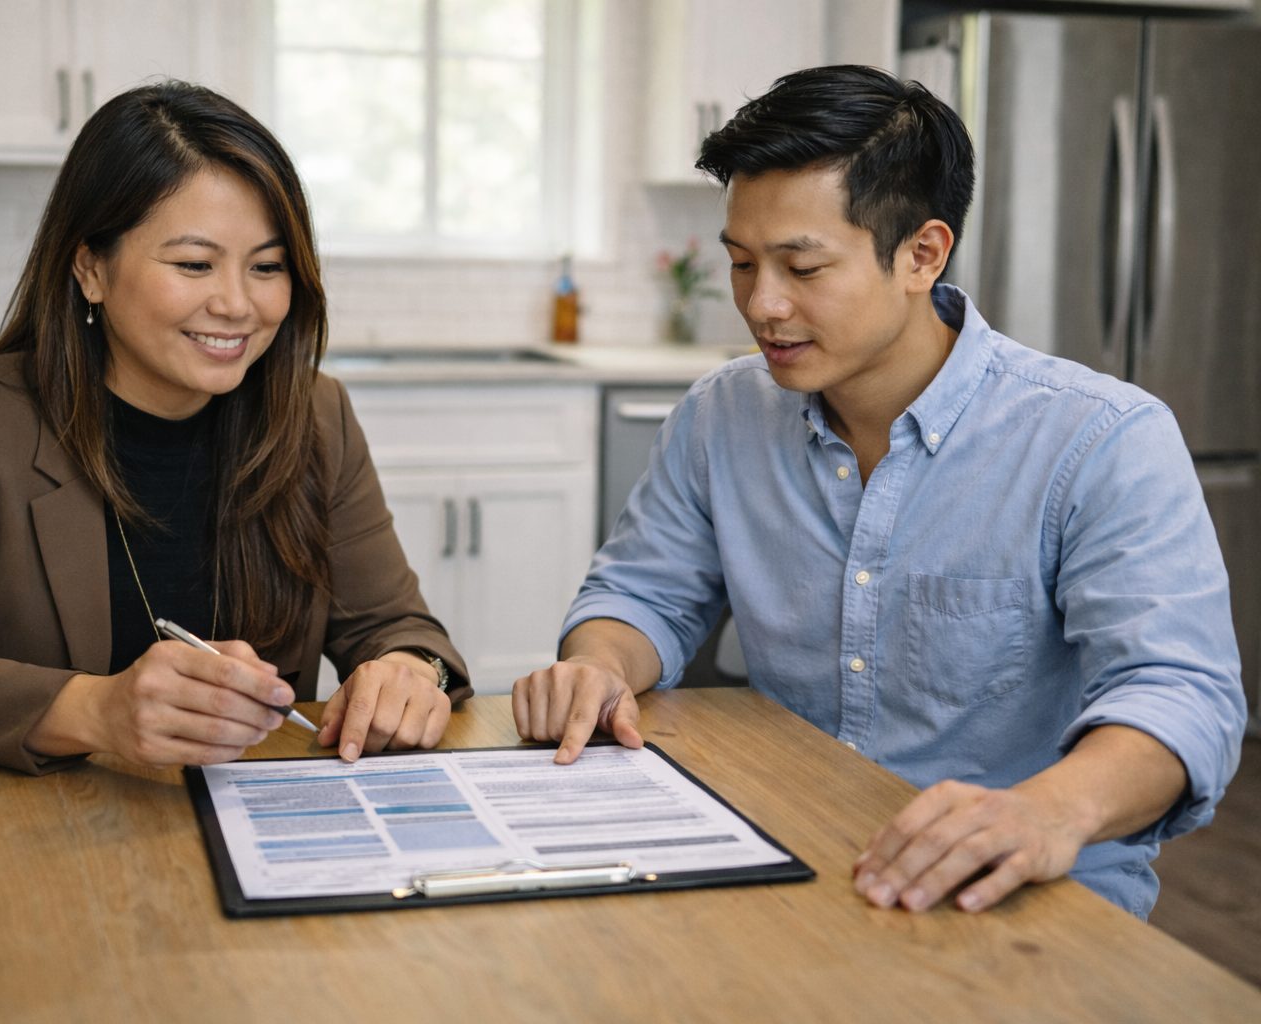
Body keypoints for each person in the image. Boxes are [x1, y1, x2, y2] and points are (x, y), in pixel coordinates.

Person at [511, 65, 1246, 918]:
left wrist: (1049, 811)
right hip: (789, 860)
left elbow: (1181, 695)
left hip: (1020, 893)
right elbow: (642, 593)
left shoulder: (1100, 439)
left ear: (922, 255)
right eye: (743, 264)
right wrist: (599, 666)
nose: (762, 304)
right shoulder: (722, 414)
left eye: (803, 266)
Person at [0, 81, 470, 775]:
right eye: (194, 264)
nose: (237, 304)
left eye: (268, 267)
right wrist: (93, 710)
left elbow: (396, 627)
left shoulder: (316, 415)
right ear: (90, 267)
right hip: (27, 837)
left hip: (262, 825)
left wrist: (409, 670)